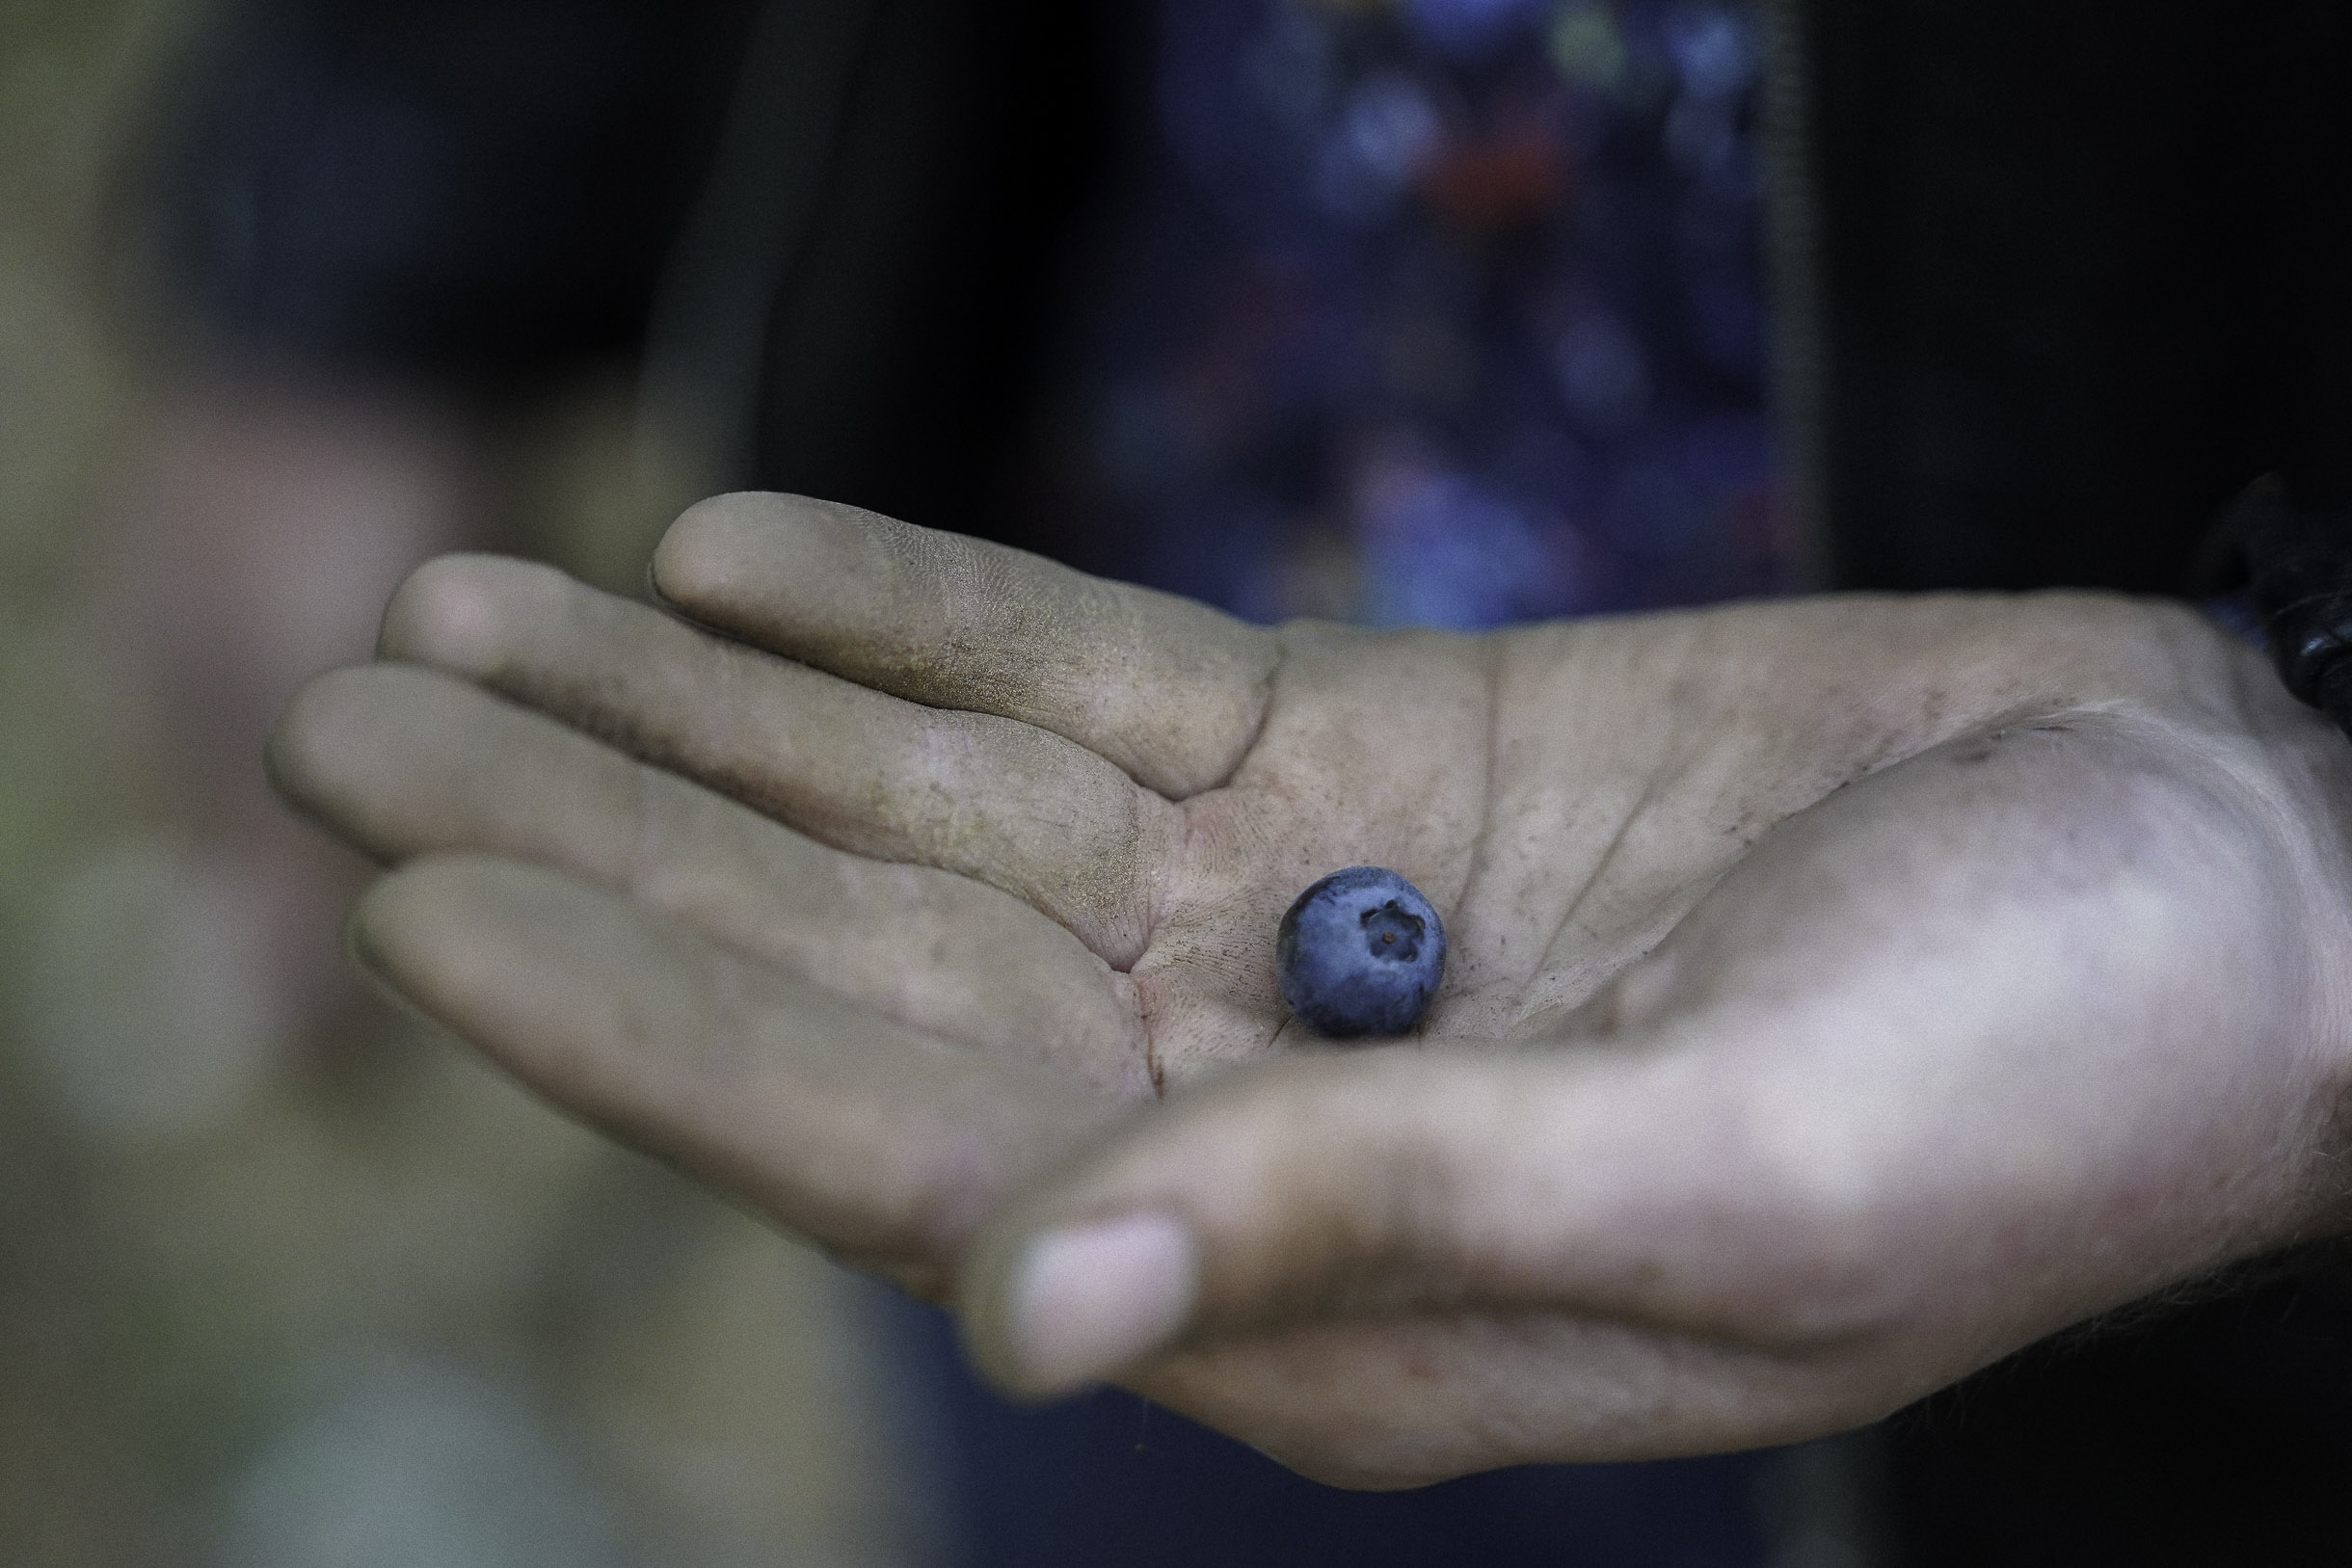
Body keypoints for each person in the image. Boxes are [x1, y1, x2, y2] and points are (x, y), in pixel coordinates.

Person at [264, 486, 2352, 1480]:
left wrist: (2307, 823)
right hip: (1133, 486)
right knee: (1095, 1349)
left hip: (2103, 1411)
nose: (1380, 940)